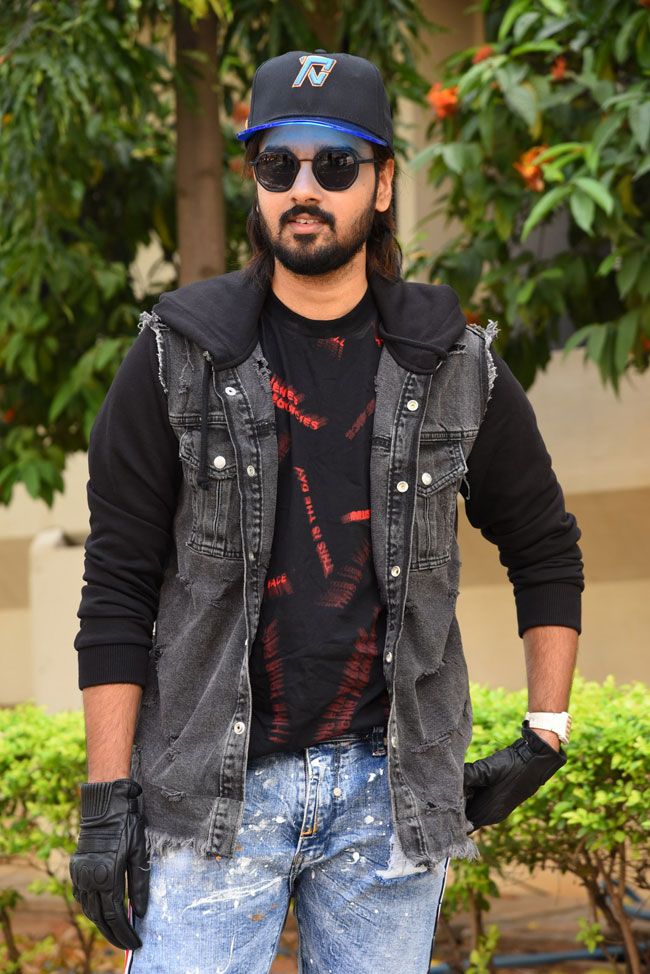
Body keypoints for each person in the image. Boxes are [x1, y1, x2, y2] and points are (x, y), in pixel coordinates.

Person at [69, 50, 583, 974]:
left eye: (335, 164)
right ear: (256, 183)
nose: (304, 189)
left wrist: (548, 731)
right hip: (211, 799)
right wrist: (108, 800)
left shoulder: (453, 363)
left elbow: (544, 547)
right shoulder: (177, 357)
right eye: (279, 165)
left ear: (382, 185)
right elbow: (116, 582)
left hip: (390, 801)